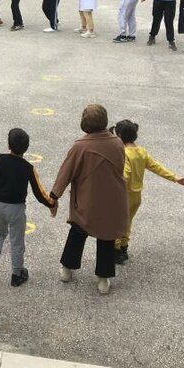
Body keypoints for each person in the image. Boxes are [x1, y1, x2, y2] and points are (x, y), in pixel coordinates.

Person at [51, 104, 126, 295]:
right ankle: (103, 278)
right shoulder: (117, 143)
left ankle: (67, 269)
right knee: (106, 238)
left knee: (77, 232)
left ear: (84, 124)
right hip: (112, 200)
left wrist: (54, 196)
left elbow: (65, 173)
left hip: (87, 199)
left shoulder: (80, 146)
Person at [0, 128, 55, 286]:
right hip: (16, 209)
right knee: (17, 241)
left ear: (8, 144)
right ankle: (17, 273)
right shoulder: (28, 168)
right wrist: (51, 204)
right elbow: (39, 191)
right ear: (26, 148)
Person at [110, 119, 182, 265]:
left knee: (117, 222)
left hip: (123, 195)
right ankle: (124, 247)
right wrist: (174, 177)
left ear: (120, 136)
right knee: (128, 222)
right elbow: (156, 166)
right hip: (136, 196)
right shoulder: (142, 152)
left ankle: (116, 250)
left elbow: (125, 175)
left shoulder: (124, 153)